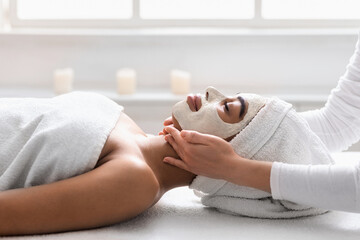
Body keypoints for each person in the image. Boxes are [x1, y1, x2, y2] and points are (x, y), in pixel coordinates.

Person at [162, 33, 360, 213]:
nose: (210, 90)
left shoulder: (140, 177)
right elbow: (340, 121)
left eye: (229, 108)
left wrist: (231, 167)